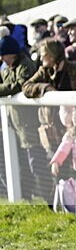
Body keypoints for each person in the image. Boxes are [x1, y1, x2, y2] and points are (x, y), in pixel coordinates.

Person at [0, 35, 50, 200]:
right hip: (15, 124)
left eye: (3, 55)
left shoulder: (25, 65)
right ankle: (27, 197)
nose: (1, 59)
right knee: (21, 164)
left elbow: (17, 86)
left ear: (12, 53)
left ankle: (47, 198)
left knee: (35, 163)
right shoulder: (7, 68)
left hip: (28, 124)